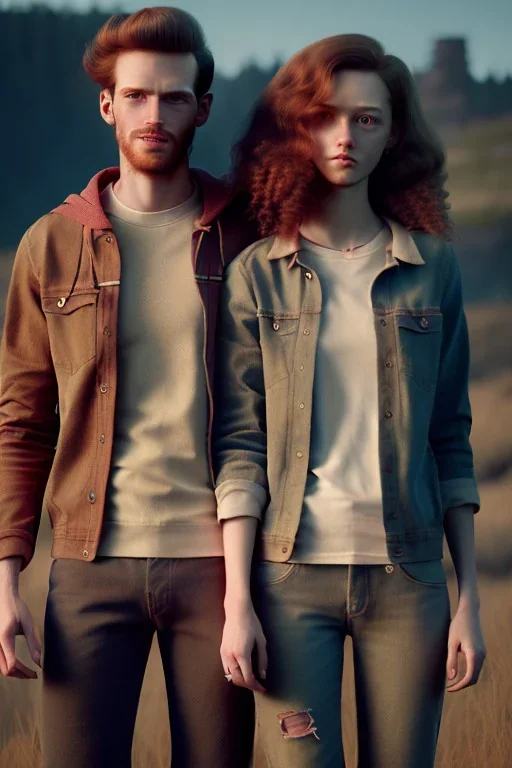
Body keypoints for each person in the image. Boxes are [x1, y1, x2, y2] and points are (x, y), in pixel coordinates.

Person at [214, 34, 487, 768]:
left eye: (367, 119)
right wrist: (238, 602)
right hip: (288, 580)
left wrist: (469, 598)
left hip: (411, 580)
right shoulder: (257, 276)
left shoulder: (432, 270)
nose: (345, 135)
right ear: (300, 127)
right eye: (328, 116)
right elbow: (240, 446)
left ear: (392, 130)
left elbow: (450, 436)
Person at [0, 7, 255, 767]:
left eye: (174, 97)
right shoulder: (51, 242)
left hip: (218, 572)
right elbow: (20, 422)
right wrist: (6, 579)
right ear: (107, 103)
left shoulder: (244, 236)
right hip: (87, 567)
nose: (155, 113)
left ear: (202, 108)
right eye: (137, 95)